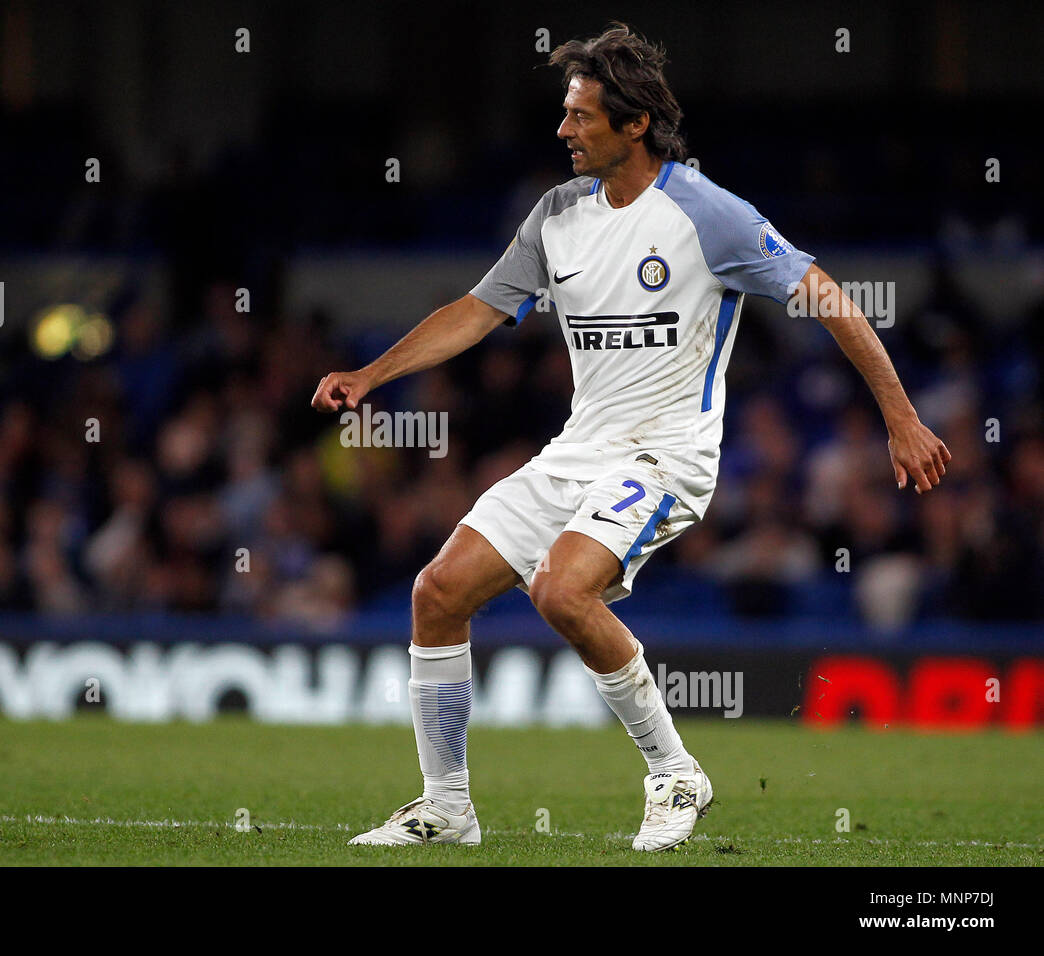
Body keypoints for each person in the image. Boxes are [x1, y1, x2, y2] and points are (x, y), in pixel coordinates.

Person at [311, 23, 950, 851]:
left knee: (561, 589)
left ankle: (675, 771)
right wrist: (371, 377)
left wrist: (900, 418)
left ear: (635, 123)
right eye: (565, 114)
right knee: (436, 594)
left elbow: (825, 295)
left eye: (580, 116)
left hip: (667, 455)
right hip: (579, 451)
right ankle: (447, 807)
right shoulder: (556, 216)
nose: (563, 130)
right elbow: (477, 311)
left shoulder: (706, 213)